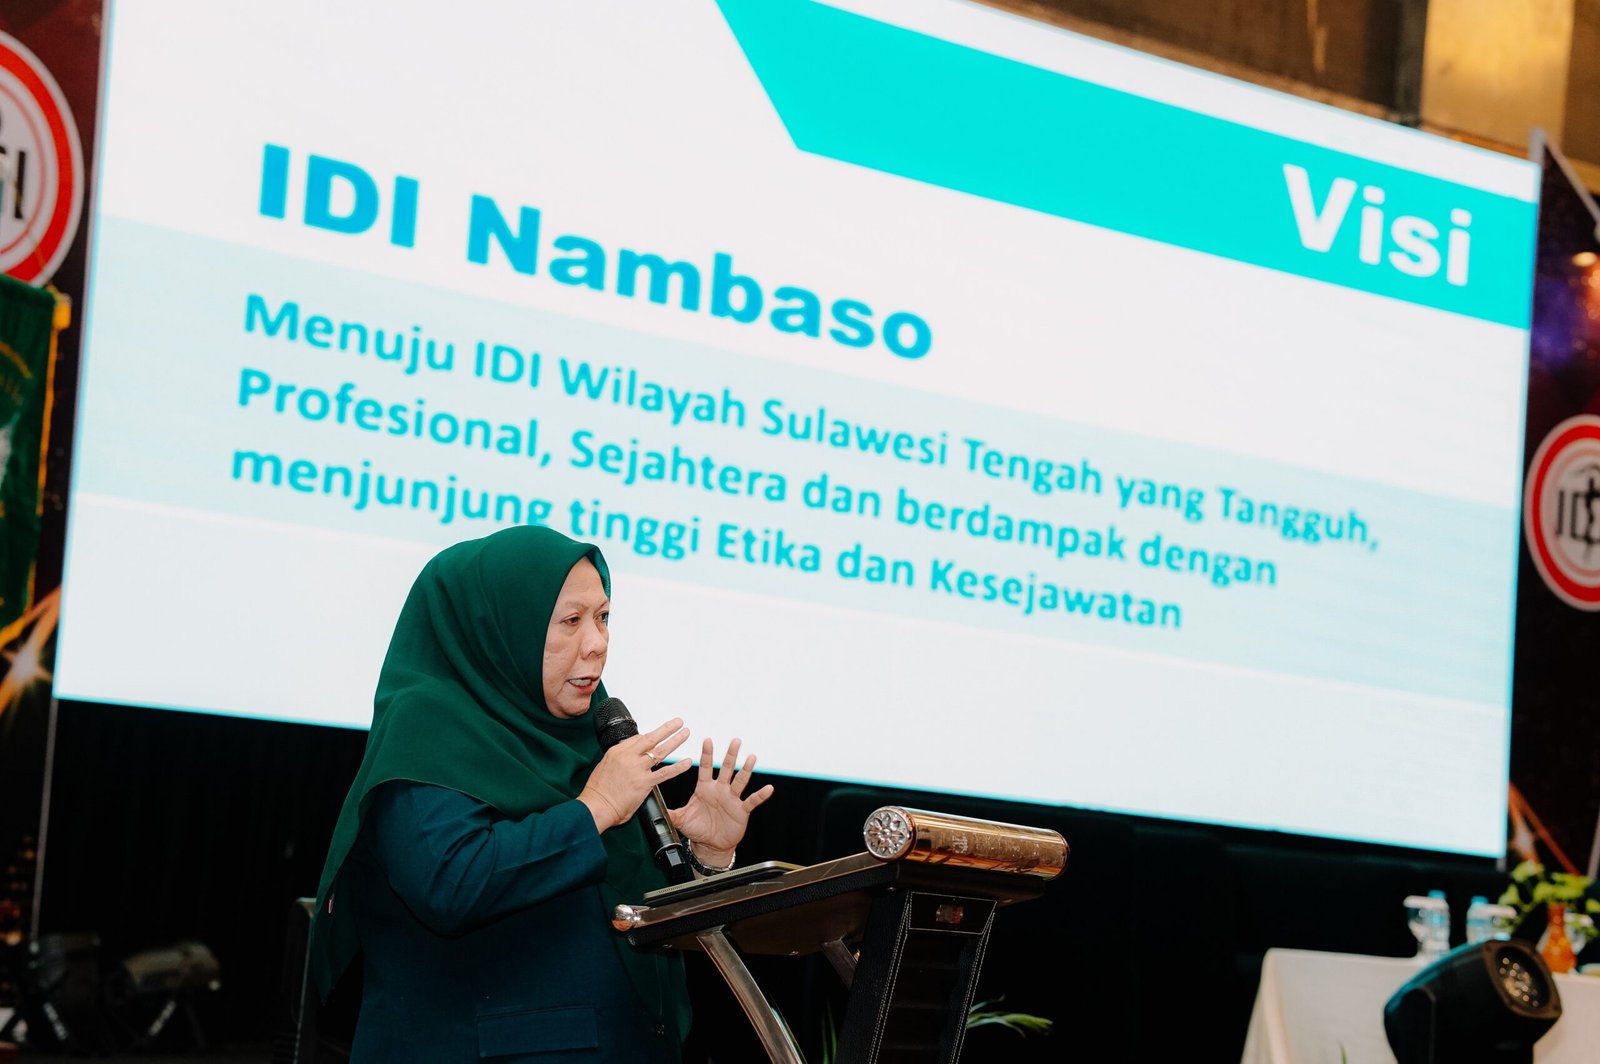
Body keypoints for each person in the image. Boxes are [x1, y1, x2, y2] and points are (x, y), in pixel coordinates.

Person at [309, 525, 774, 1062]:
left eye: (603, 617)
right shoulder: (426, 729)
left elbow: (627, 912)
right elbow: (451, 885)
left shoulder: (583, 738)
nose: (597, 642)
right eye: (571, 621)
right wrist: (596, 808)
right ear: (499, 627)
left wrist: (706, 859)